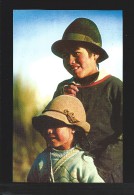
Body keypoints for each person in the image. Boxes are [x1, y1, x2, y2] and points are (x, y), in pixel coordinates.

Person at [49, 18, 123, 183]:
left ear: (95, 54)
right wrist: (61, 100)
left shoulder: (114, 87)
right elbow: (49, 129)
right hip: (68, 173)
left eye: (76, 53)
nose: (70, 61)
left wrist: (100, 168)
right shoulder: (63, 88)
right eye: (65, 55)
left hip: (107, 176)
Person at [27, 95, 104, 183]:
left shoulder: (82, 162)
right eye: (46, 125)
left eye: (55, 125)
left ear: (73, 128)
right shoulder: (41, 160)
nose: (49, 130)